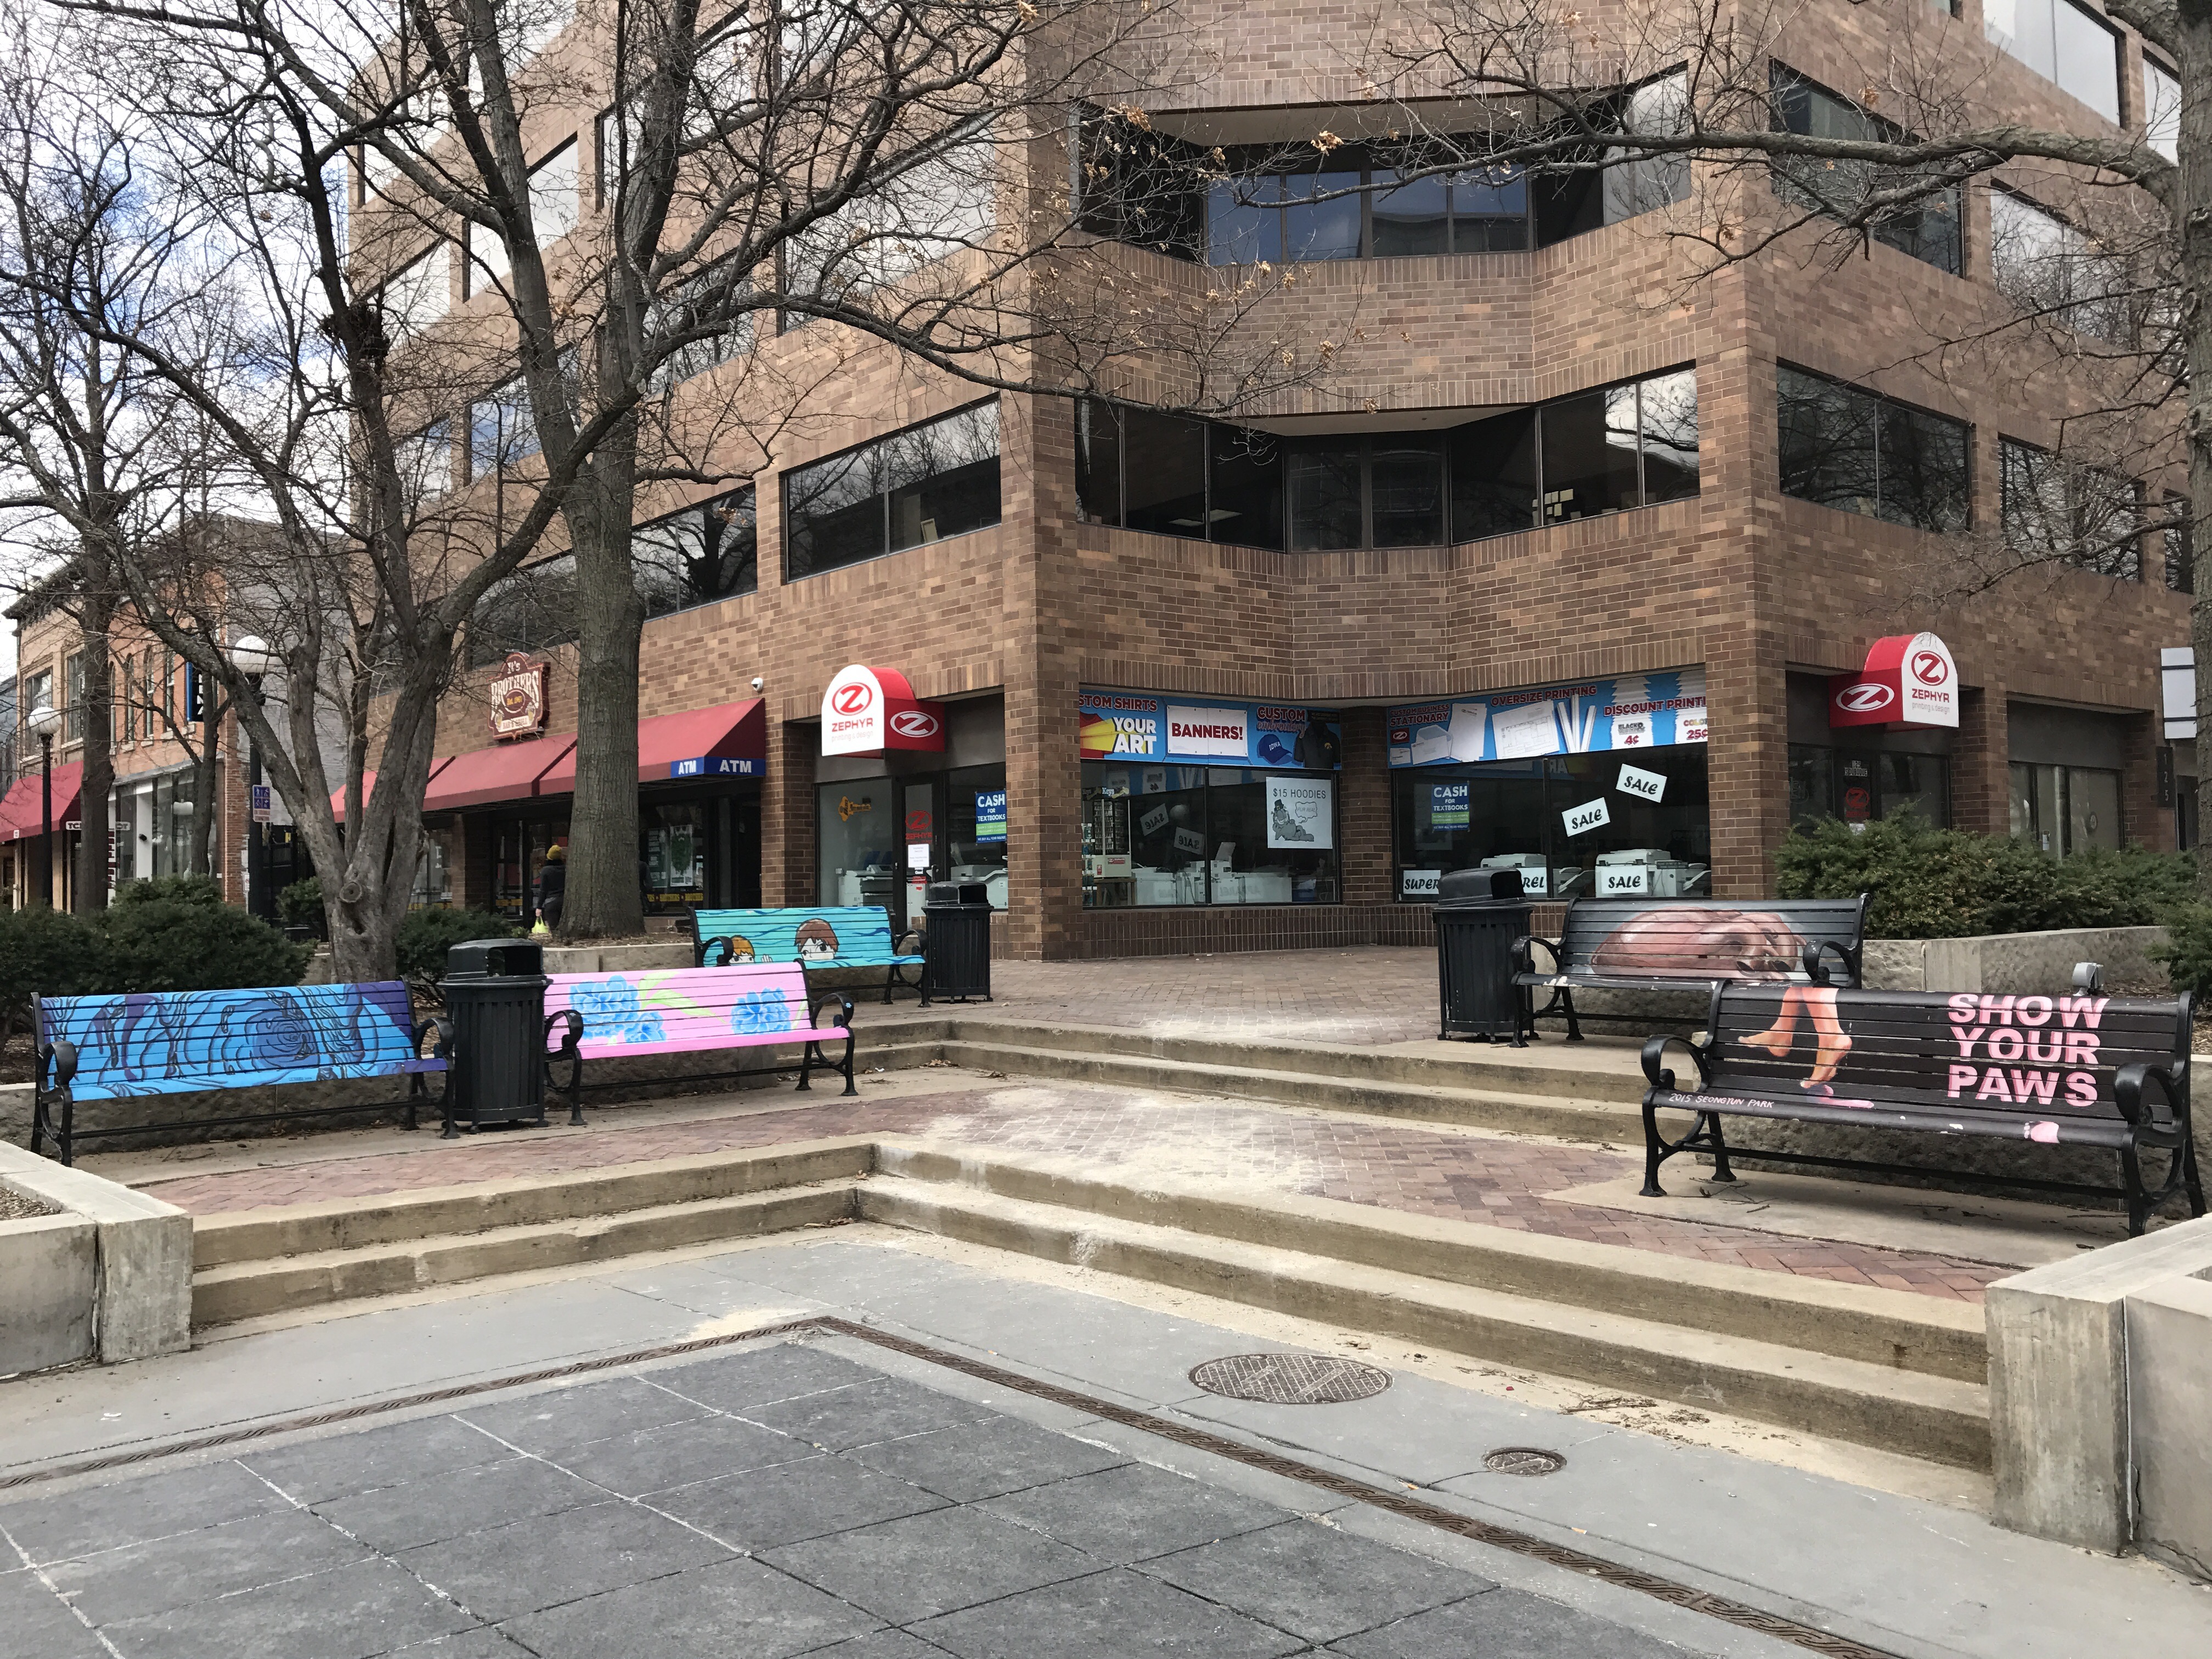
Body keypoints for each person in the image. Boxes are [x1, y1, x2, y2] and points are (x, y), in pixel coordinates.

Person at [535, 842, 567, 932]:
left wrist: (539, 907)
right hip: (565, 901)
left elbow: (543, 890)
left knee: (554, 928)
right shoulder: (565, 869)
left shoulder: (546, 871)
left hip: (551, 902)